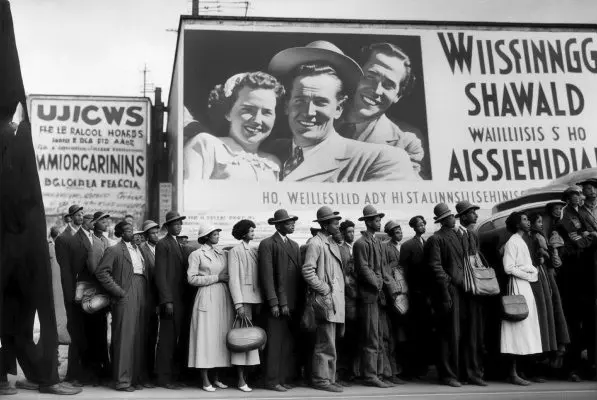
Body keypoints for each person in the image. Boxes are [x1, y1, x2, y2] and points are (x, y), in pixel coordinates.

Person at [267, 40, 417, 182]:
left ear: (339, 107)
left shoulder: (388, 156)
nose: (309, 112)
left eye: (321, 102)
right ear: (287, 105)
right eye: (300, 100)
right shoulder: (272, 150)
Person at [337, 42, 424, 175]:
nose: (376, 90)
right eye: (370, 76)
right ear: (355, 75)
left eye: (388, 85)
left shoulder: (406, 145)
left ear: (398, 96)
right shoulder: (317, 114)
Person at [183, 71, 285, 182]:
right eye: (248, 110)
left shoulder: (273, 163)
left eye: (267, 112)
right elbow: (189, 195)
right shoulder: (206, 145)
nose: (257, 120)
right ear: (228, 112)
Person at [426, 203, 485, 387]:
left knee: (467, 333)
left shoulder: (461, 235)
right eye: (451, 216)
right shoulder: (436, 238)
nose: (454, 218)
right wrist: (448, 285)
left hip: (466, 290)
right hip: (450, 290)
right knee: (449, 334)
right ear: (444, 220)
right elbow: (435, 267)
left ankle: (468, 373)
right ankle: (448, 374)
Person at [95, 221, 150, 391]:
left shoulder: (138, 249)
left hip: (141, 289)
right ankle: (122, 381)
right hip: (126, 292)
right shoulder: (114, 249)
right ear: (120, 233)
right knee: (125, 337)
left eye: (132, 229)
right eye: (127, 230)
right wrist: (118, 291)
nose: (131, 232)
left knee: (138, 336)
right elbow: (101, 272)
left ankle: (134, 378)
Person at [353, 205, 399, 387]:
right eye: (377, 220)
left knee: (380, 336)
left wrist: (392, 288)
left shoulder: (377, 243)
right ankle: (371, 375)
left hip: (378, 296)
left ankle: (378, 373)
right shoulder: (360, 244)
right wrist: (379, 284)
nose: (379, 222)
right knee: (371, 337)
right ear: (368, 222)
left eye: (379, 219)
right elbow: (363, 269)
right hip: (368, 296)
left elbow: (384, 269)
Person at [258, 209, 302, 392]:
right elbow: (267, 277)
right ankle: (271, 380)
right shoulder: (267, 244)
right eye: (287, 222)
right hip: (276, 304)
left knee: (287, 343)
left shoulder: (295, 245)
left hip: (292, 303)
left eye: (292, 221)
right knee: (275, 343)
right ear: (277, 225)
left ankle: (283, 378)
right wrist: (274, 302)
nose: (292, 224)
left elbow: (298, 276)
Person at [302, 206, 346, 392]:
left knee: (331, 341)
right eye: (335, 223)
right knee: (325, 342)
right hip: (326, 301)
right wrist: (324, 288)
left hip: (334, 302)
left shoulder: (331, 242)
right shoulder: (316, 243)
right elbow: (307, 270)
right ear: (325, 225)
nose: (338, 225)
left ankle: (329, 377)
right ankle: (321, 380)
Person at [187, 225, 233, 392]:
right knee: (205, 338)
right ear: (206, 236)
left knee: (219, 337)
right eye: (214, 234)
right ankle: (205, 379)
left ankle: (216, 377)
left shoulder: (221, 253)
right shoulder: (197, 255)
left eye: (218, 233)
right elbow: (191, 278)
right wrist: (216, 277)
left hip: (222, 297)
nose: (217, 236)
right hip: (206, 296)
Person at [558, 186, 596, 381]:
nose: (580, 196)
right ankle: (572, 368)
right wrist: (590, 238)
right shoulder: (566, 213)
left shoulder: (583, 212)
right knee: (575, 325)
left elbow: (589, 233)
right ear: (568, 196)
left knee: (591, 325)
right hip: (574, 277)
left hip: (588, 279)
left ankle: (589, 366)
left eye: (581, 193)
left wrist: (589, 236)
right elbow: (578, 239)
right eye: (576, 193)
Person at [500, 211, 542, 386]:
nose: (528, 222)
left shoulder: (521, 241)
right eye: (524, 220)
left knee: (526, 329)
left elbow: (528, 266)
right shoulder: (513, 242)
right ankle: (513, 373)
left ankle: (523, 371)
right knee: (516, 329)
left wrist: (532, 272)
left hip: (525, 287)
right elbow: (508, 268)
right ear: (517, 224)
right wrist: (529, 274)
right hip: (517, 287)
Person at [527, 211, 570, 378]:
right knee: (548, 318)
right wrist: (546, 255)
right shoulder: (536, 237)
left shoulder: (539, 236)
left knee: (551, 317)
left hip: (546, 278)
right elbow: (541, 257)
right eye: (537, 221)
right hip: (542, 279)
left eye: (541, 221)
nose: (540, 223)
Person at [454, 201, 487, 386]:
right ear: (463, 216)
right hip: (464, 290)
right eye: (472, 212)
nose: (475, 215)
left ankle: (474, 371)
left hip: (476, 288)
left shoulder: (472, 234)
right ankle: (468, 372)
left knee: (475, 333)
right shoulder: (457, 234)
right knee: (467, 333)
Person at [154, 211, 188, 389]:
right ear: (167, 226)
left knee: (176, 339)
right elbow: (160, 274)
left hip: (179, 300)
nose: (179, 226)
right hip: (170, 300)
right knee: (167, 339)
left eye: (180, 223)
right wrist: (166, 300)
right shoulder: (163, 244)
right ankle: (163, 377)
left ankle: (173, 375)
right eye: (175, 224)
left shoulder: (177, 244)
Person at [228, 219, 262, 392]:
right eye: (251, 231)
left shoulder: (253, 251)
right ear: (243, 233)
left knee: (254, 339)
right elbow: (233, 279)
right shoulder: (235, 251)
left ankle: (248, 377)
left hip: (256, 300)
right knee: (243, 339)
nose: (253, 233)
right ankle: (241, 379)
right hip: (245, 301)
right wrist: (238, 304)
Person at [398, 215, 434, 378]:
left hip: (427, 295)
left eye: (424, 223)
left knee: (426, 331)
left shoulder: (428, 244)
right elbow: (403, 271)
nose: (423, 226)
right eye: (420, 224)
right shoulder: (407, 245)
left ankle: (424, 366)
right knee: (414, 332)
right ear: (413, 227)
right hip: (414, 295)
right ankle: (413, 368)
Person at [382, 220, 408, 383]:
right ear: (390, 233)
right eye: (396, 231)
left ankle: (402, 369)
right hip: (394, 296)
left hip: (406, 295)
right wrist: (394, 293)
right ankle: (391, 372)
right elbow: (385, 271)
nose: (399, 233)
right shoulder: (385, 247)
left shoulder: (403, 246)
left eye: (400, 230)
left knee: (401, 335)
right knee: (391, 335)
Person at [576, 178, 597, 374]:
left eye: (591, 188)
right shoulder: (580, 212)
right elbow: (582, 233)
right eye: (586, 189)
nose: (588, 191)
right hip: (589, 259)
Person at [138, 220, 160, 385]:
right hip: (145, 299)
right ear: (146, 236)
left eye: (157, 232)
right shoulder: (142, 250)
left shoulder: (158, 248)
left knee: (153, 337)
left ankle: (152, 371)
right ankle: (143, 374)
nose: (156, 235)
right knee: (144, 338)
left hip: (156, 300)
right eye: (152, 233)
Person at [337, 219, 358, 384]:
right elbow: (343, 275)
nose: (352, 234)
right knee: (344, 335)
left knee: (354, 336)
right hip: (346, 297)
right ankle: (342, 370)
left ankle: (353, 369)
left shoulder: (357, 248)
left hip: (358, 297)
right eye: (349, 232)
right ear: (343, 233)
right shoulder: (341, 249)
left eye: (353, 231)